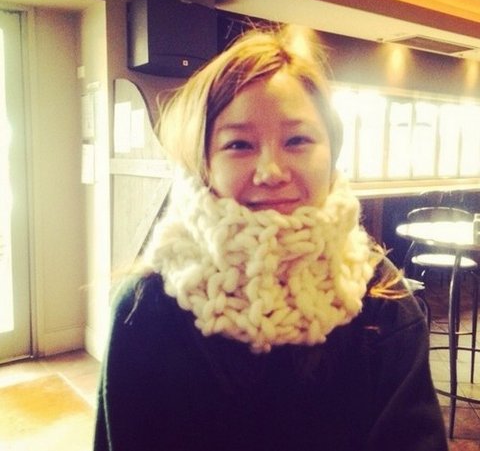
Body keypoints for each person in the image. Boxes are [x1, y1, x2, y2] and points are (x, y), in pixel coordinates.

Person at [94, 24, 448, 451]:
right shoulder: (145, 308)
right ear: (203, 163)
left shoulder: (383, 298)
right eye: (239, 144)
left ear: (332, 154)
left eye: (297, 140)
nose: (271, 172)